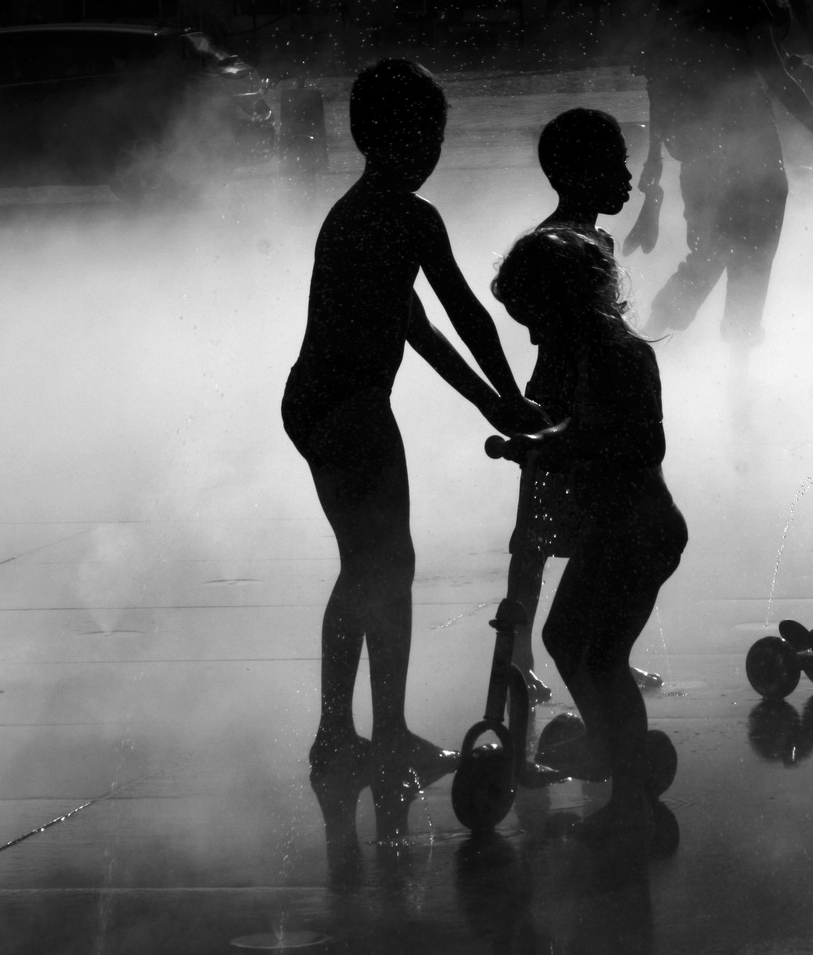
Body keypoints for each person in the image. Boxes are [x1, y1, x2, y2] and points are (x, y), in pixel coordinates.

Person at [283, 58, 540, 772]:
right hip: (350, 407)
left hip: (315, 402)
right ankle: (381, 733)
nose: (434, 153)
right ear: (401, 137)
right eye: (430, 137)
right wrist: (512, 397)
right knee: (386, 566)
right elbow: (467, 315)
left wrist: (494, 402)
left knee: (368, 565)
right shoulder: (409, 218)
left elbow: (421, 333)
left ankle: (340, 732)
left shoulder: (355, 213)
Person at [490, 228, 688, 844]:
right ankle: (610, 746)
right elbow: (587, 430)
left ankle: (628, 794)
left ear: (565, 303)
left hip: (640, 530)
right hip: (616, 530)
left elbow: (640, 442)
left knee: (602, 656)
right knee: (566, 637)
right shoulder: (589, 351)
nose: (531, 335)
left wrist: (547, 446)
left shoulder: (619, 353)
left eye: (534, 320)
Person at [630, 0, 813, 347]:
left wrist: (655, 158)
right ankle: (737, 380)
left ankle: (646, 338)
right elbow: (781, 81)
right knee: (753, 265)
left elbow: (659, 88)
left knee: (704, 256)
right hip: (755, 157)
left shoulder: (673, 7)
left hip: (698, 157)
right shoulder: (746, 6)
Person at [504, 108, 664, 702]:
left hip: (590, 397)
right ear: (573, 173)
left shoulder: (596, 238)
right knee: (537, 534)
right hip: (559, 399)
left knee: (600, 526)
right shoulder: (551, 244)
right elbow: (529, 312)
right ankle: (519, 653)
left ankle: (606, 649)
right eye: (614, 163)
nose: (626, 175)